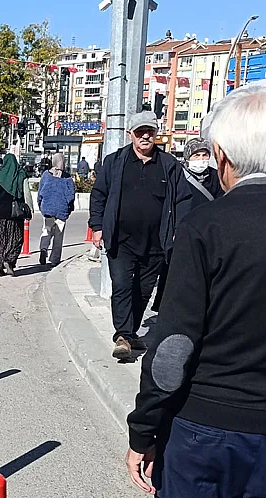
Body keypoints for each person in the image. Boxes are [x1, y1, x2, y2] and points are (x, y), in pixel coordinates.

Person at [126, 86, 266, 498]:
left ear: (222, 156)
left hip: (208, 430)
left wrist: (144, 430)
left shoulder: (205, 227)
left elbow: (173, 347)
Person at [89, 110, 191, 360]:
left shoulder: (169, 166)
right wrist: (97, 226)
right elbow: (99, 195)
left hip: (156, 243)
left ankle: (130, 331)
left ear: (157, 134)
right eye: (140, 132)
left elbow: (183, 200)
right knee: (122, 286)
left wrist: (179, 231)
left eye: (150, 131)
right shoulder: (114, 163)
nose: (145, 136)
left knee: (144, 290)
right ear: (130, 135)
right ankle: (123, 335)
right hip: (120, 241)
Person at [151, 138, 224, 312]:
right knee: (175, 274)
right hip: (181, 233)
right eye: (196, 155)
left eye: (204, 154)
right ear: (188, 156)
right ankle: (168, 309)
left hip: (208, 235)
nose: (201, 159)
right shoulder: (179, 175)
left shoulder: (216, 177)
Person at [0, 154, 33, 277]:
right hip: (15, 214)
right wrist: (30, 210)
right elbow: (27, 194)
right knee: (16, 239)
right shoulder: (21, 175)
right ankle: (9, 261)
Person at [37, 153, 75, 266]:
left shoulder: (46, 175)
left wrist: (41, 205)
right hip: (62, 209)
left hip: (48, 209)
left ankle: (43, 249)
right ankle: (54, 259)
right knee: (58, 235)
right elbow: (71, 195)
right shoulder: (67, 178)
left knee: (46, 231)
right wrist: (69, 208)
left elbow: (40, 193)